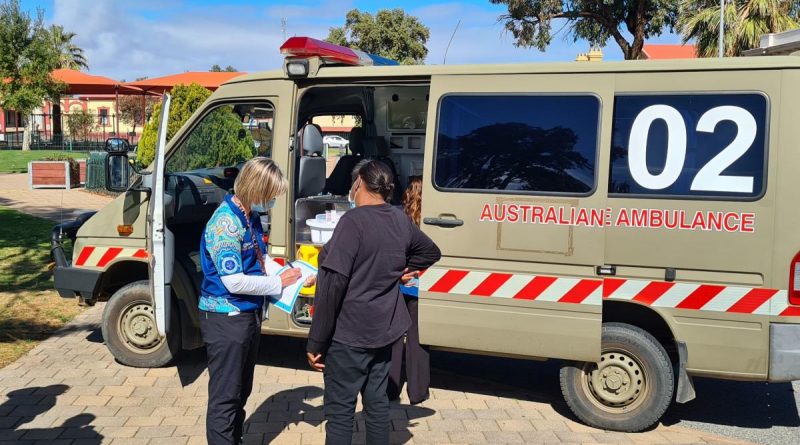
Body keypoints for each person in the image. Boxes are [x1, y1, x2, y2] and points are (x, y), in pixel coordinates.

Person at [306, 161, 441, 445]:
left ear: (359, 184)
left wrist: (316, 342)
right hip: (384, 333)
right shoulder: (399, 218)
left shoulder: (352, 222)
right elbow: (430, 251)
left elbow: (332, 286)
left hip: (349, 335)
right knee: (377, 405)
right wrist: (399, 271)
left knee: (341, 412)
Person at [199, 157, 310, 445]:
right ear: (255, 190)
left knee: (241, 390)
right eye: (270, 196)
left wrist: (291, 274)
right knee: (226, 396)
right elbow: (233, 280)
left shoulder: (249, 216)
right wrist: (278, 283)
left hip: (246, 314)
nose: (272, 201)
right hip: (225, 317)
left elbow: (259, 260)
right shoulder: (225, 224)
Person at [387, 176, 431, 405]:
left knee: (394, 337)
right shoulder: (431, 221)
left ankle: (390, 389)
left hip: (398, 285)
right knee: (417, 340)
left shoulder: (397, 218)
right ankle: (417, 392)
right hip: (420, 288)